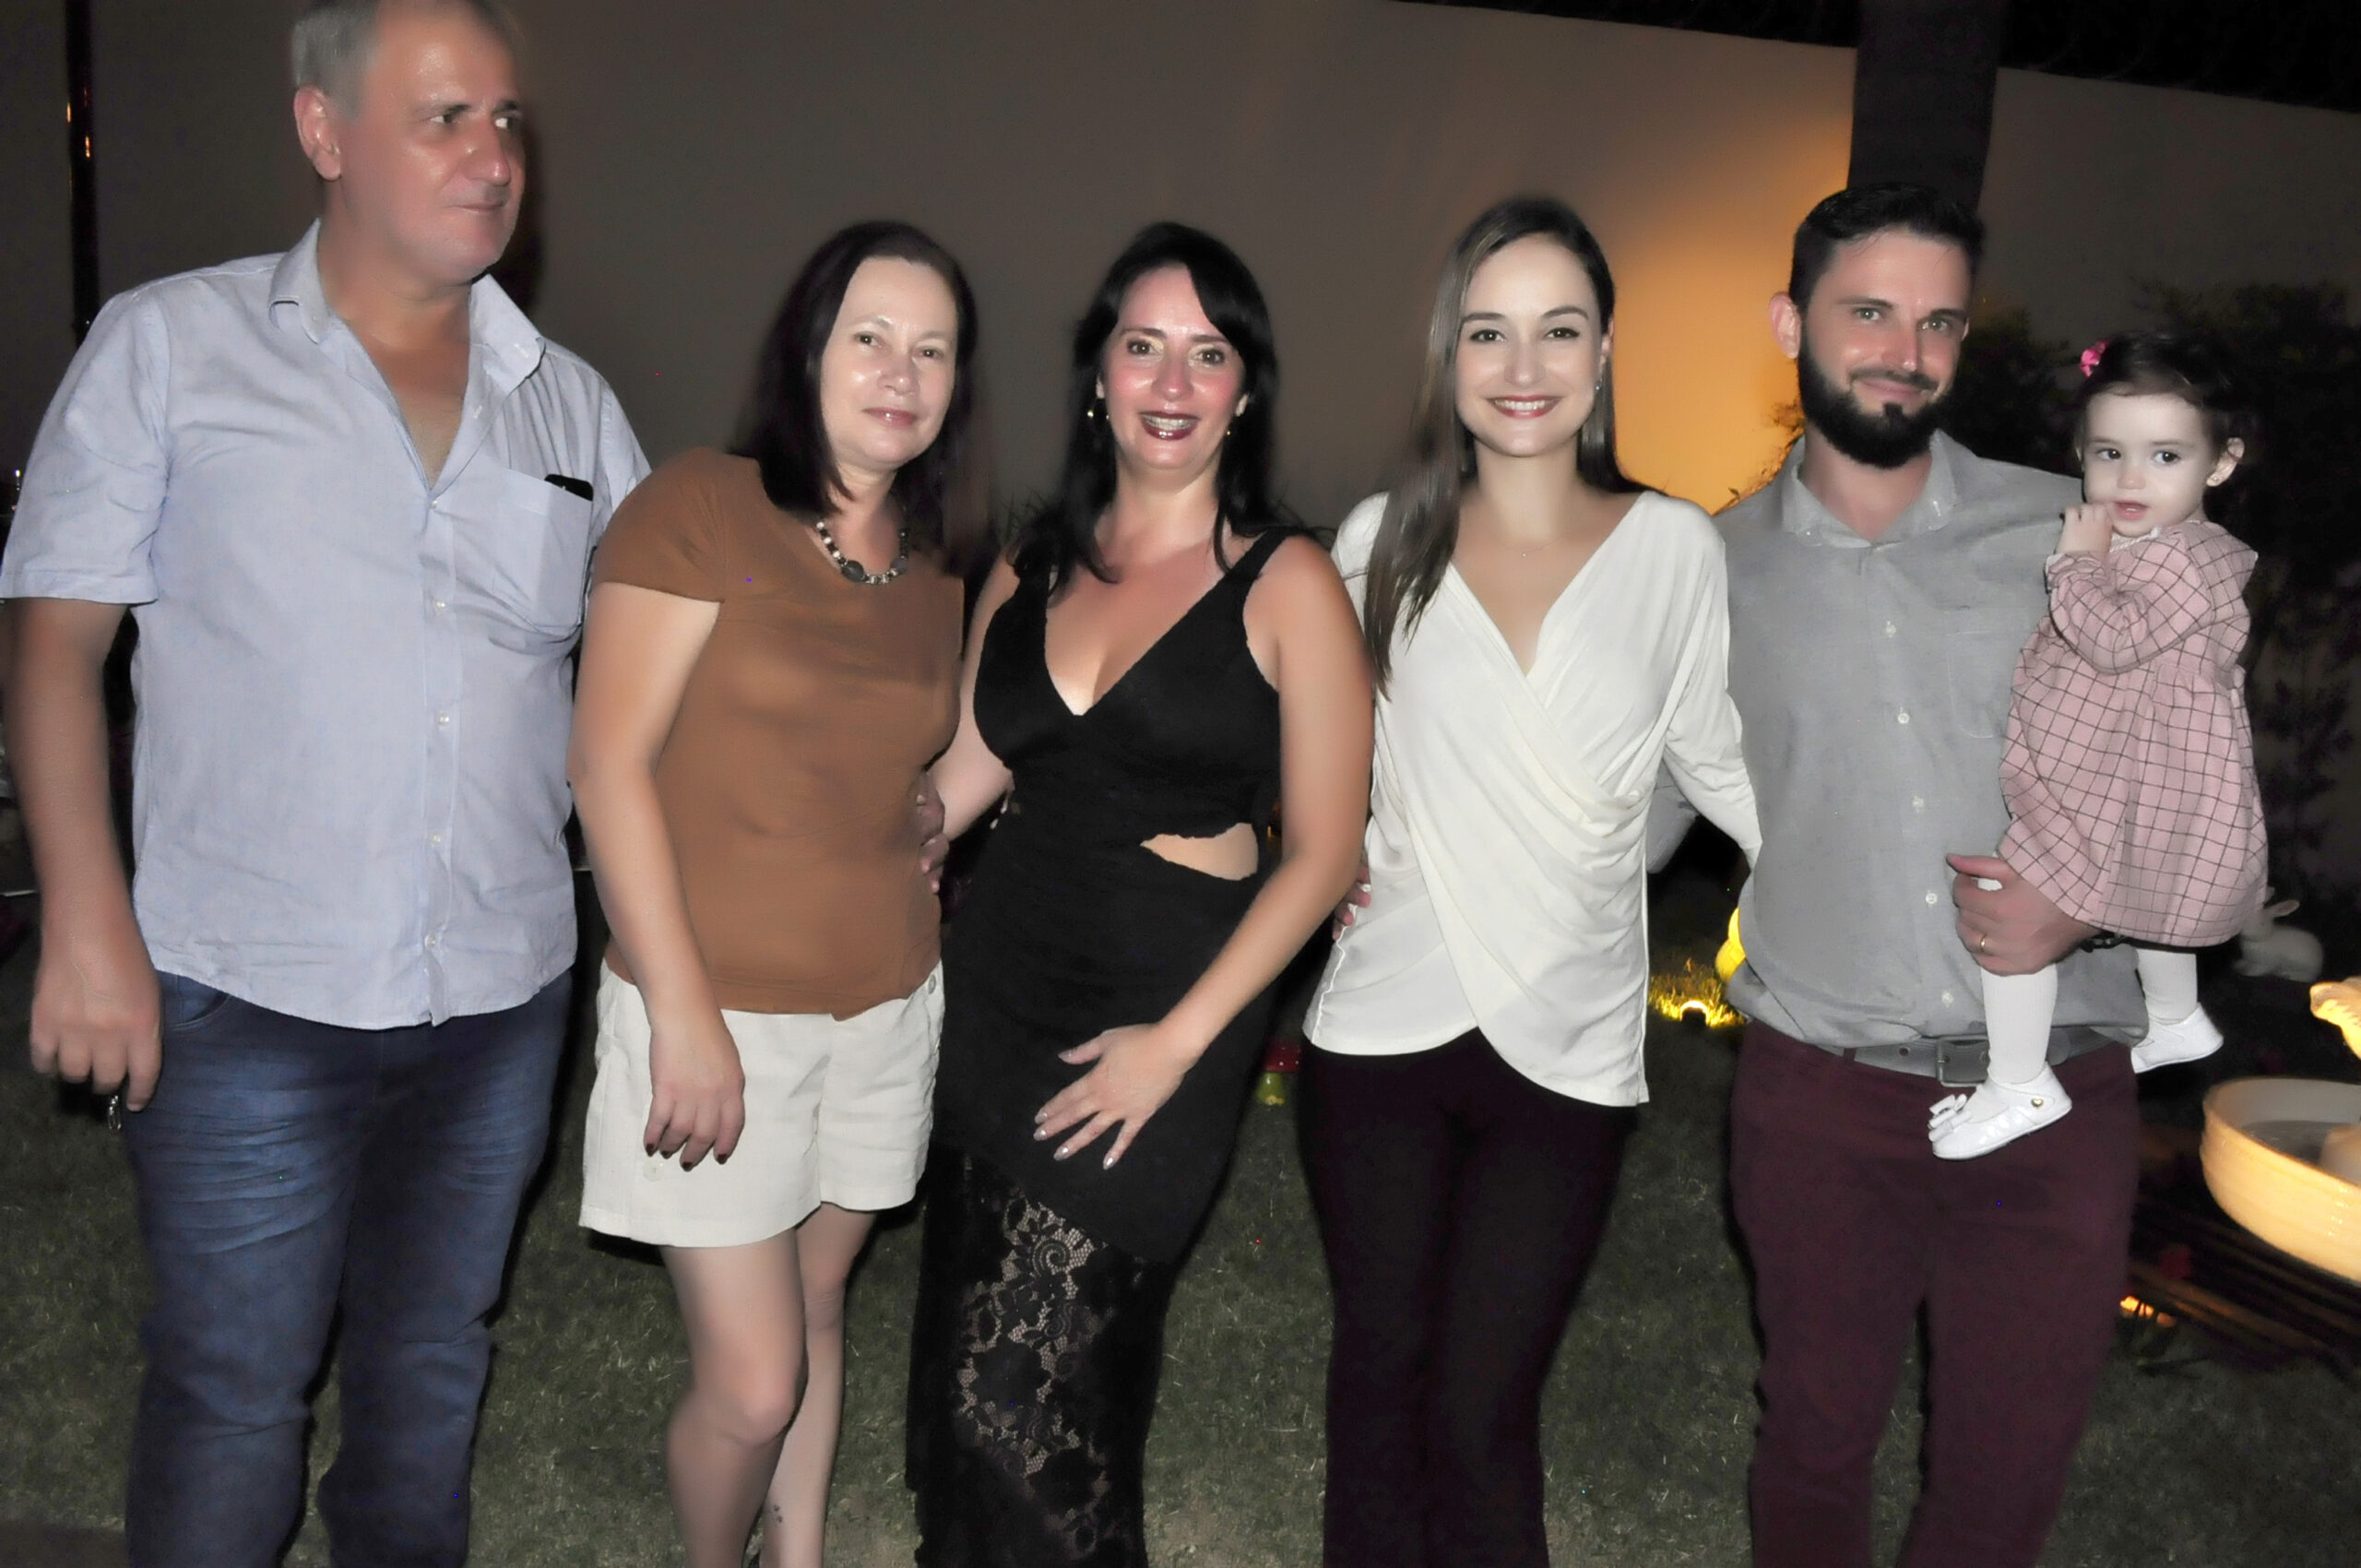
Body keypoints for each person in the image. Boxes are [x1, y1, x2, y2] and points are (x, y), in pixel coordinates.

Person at [0, 3, 646, 1562]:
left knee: (431, 1366)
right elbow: (54, 645)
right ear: (323, 131)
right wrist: (84, 917)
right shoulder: (170, 346)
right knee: (235, 1391)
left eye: (507, 119)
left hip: (499, 997)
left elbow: (658, 690)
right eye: (444, 117)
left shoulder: (571, 405)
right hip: (243, 994)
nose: (493, 156)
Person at [904, 222, 1371, 1566]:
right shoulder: (1034, 558)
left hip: (1164, 1007)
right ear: (1098, 373)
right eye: (1144, 346)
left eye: (1207, 354)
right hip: (999, 987)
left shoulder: (1287, 581)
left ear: (1244, 388)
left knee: (1033, 1394)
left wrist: (1176, 1047)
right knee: (957, 1387)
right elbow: (963, 777)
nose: (1172, 383)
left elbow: (1325, 851)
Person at [1697, 183, 2149, 1568]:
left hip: (2058, 1089)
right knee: (1815, 1440)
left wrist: (2097, 900)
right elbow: (1617, 816)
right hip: (1824, 1096)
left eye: (1939, 320)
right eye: (1870, 312)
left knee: (2005, 1477)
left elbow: (2190, 777)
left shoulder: (2076, 530)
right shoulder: (1705, 575)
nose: (1906, 351)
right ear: (1790, 324)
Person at [1308, 196, 1759, 1568]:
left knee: (1483, 1407)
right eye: (1488, 331)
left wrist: (1872, 894)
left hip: (1567, 1050)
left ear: (1604, 352)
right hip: (1380, 1028)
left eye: (1558, 330)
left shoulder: (1673, 550)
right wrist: (1307, 849)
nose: (1522, 365)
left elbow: (1717, 761)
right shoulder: (1378, 538)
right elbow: (1311, 750)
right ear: (1448, 354)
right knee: (1380, 1377)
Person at [570, 222, 979, 1568]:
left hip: (886, 1006)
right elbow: (607, 763)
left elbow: (906, 757)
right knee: (752, 1383)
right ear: (809, 349)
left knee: (814, 1307)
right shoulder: (700, 503)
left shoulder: (937, 565)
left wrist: (932, 808)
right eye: (870, 337)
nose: (900, 373)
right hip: (720, 1011)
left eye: (932, 350)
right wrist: (681, 1013)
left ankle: (793, 1555)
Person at [1930, 331, 2264, 1158]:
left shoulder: (2190, 561)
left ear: (2221, 464)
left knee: (2010, 910)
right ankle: (2176, 1018)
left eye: (2165, 456)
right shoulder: (2159, 547)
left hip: (2121, 782)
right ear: (2081, 451)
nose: (2130, 479)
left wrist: (2075, 564)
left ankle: (2019, 1082)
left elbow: (2111, 643)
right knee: (2156, 898)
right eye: (2110, 453)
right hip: (2132, 775)